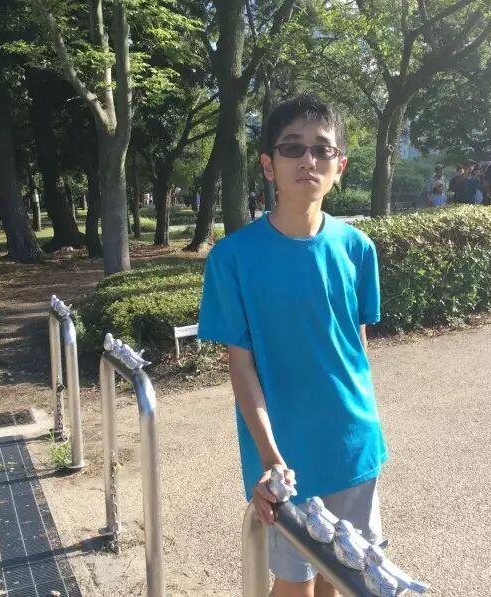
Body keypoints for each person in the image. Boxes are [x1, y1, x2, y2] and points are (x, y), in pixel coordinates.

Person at [198, 95, 386, 597]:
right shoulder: (233, 258)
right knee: (293, 582)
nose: (308, 160)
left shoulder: (357, 248)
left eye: (323, 150)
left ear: (340, 166)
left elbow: (357, 349)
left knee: (342, 574)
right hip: (284, 456)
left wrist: (365, 420)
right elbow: (241, 366)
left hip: (354, 442)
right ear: (268, 165)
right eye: (292, 148)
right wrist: (269, 455)